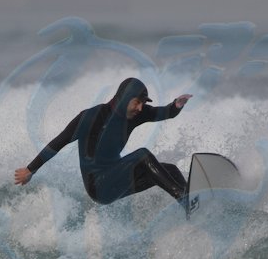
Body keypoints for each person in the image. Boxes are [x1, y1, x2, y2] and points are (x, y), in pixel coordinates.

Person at [14, 77, 193, 209]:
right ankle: (183, 198)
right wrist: (30, 169)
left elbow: (164, 112)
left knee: (170, 170)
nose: (140, 108)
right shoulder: (91, 117)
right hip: (98, 186)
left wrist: (176, 105)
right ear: (125, 98)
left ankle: (192, 205)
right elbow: (58, 142)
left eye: (143, 103)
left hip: (117, 178)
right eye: (137, 102)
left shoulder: (136, 114)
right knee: (143, 155)